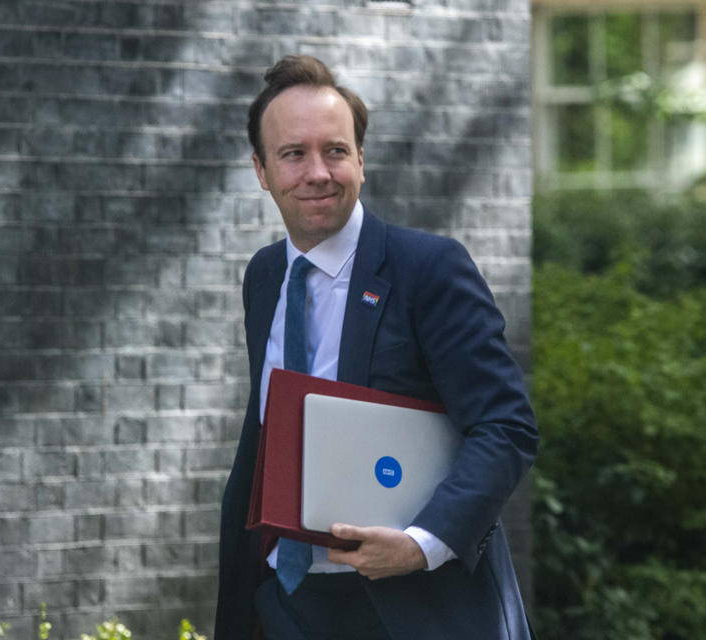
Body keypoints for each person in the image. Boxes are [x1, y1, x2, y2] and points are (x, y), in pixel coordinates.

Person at [214, 54, 538, 640]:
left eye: (335, 151)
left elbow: (506, 426)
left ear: (361, 160)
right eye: (293, 154)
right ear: (262, 171)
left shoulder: (429, 270)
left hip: (415, 606)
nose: (318, 172)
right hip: (287, 603)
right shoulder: (264, 277)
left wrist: (422, 544)